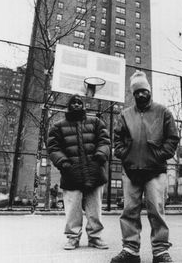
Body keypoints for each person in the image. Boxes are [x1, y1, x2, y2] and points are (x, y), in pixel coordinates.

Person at [110, 71, 180, 263]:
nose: (141, 94)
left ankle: (160, 252)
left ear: (149, 91)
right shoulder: (125, 115)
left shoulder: (163, 112)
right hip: (131, 170)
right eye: (137, 92)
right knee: (129, 211)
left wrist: (158, 156)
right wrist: (126, 157)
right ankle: (130, 250)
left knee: (156, 211)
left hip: (155, 170)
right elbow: (117, 140)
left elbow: (172, 138)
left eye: (144, 91)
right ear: (133, 94)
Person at [47, 94, 111, 250]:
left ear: (84, 106)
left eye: (79, 102)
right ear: (69, 106)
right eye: (73, 103)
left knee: (94, 208)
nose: (76, 105)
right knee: (72, 209)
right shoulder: (58, 126)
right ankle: (73, 237)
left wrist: (100, 156)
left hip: (94, 171)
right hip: (71, 173)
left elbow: (105, 141)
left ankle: (95, 237)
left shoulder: (96, 122)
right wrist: (64, 163)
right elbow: (53, 148)